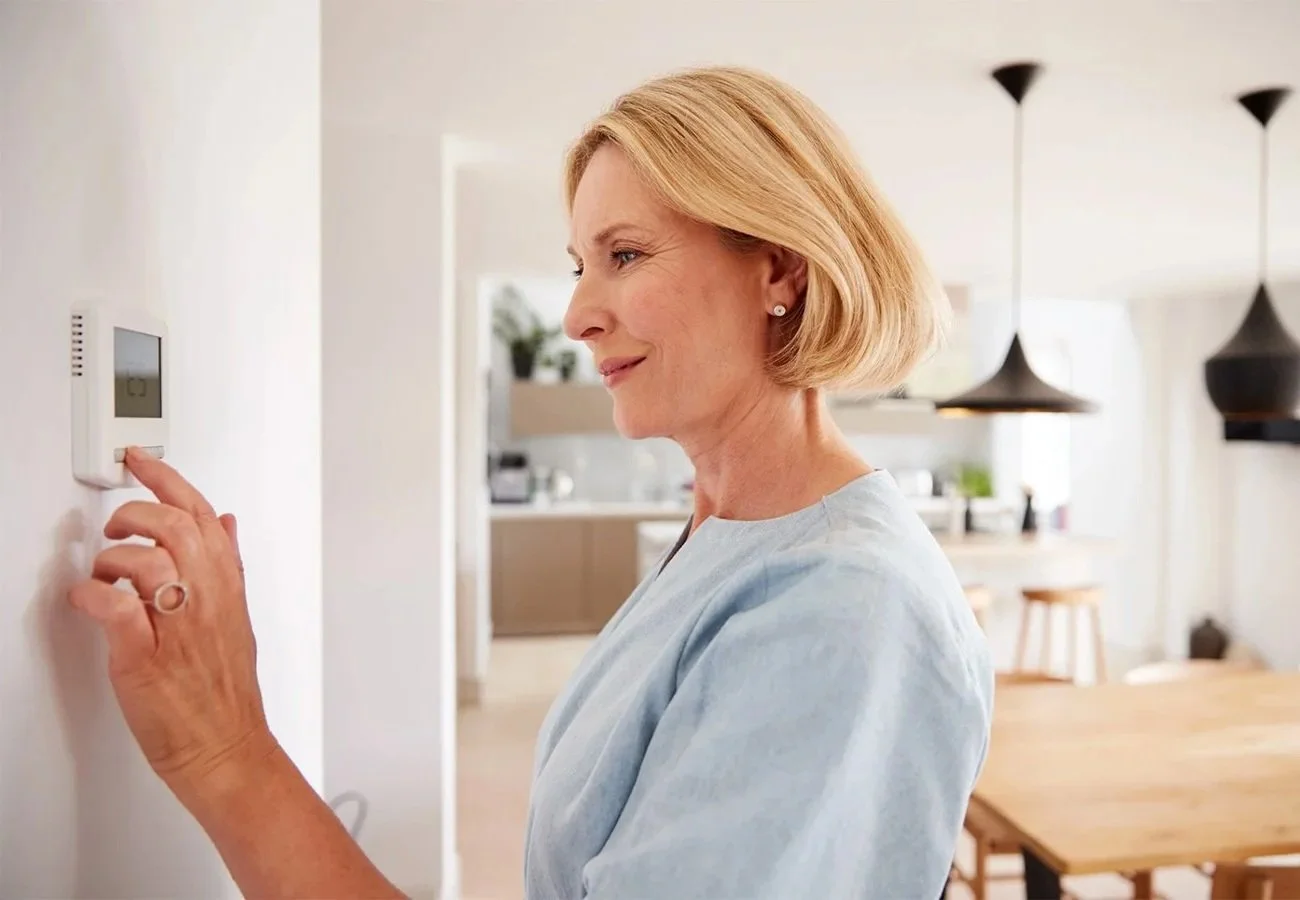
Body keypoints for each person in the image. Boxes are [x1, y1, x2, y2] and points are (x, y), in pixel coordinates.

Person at [70, 65, 992, 900]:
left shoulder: (838, 606)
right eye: (580, 264)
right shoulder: (730, 533)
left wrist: (228, 755)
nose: (579, 315)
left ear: (779, 270)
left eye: (625, 255)